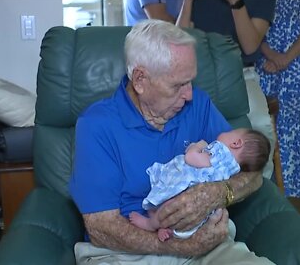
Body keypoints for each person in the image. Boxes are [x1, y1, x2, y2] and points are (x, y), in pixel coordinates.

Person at [69, 19, 274, 264]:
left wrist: (218, 192)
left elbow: (253, 174)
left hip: (205, 243)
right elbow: (102, 228)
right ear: (140, 80)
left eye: (191, 81)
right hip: (125, 253)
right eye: (178, 85)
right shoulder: (96, 126)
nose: (189, 95)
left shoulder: (199, 105)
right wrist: (182, 246)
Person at [176, 0, 277, 181]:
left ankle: (257, 192)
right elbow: (178, 41)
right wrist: (187, 0)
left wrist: (235, 0)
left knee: (261, 126)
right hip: (195, 73)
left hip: (242, 73)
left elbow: (250, 46)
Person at [129, 128, 270, 241]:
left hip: (183, 191)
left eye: (230, 132)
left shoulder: (221, 155)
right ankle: (165, 229)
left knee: (167, 205)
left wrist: (198, 146)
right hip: (196, 214)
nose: (225, 131)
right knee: (167, 207)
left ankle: (150, 224)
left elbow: (191, 157)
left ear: (236, 143)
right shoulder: (232, 168)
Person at [253, 0, 300, 197]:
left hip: (299, 61)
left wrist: (286, 58)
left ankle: (288, 199)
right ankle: (259, 193)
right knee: (261, 126)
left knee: (293, 124)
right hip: (261, 56)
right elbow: (248, 21)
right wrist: (270, 54)